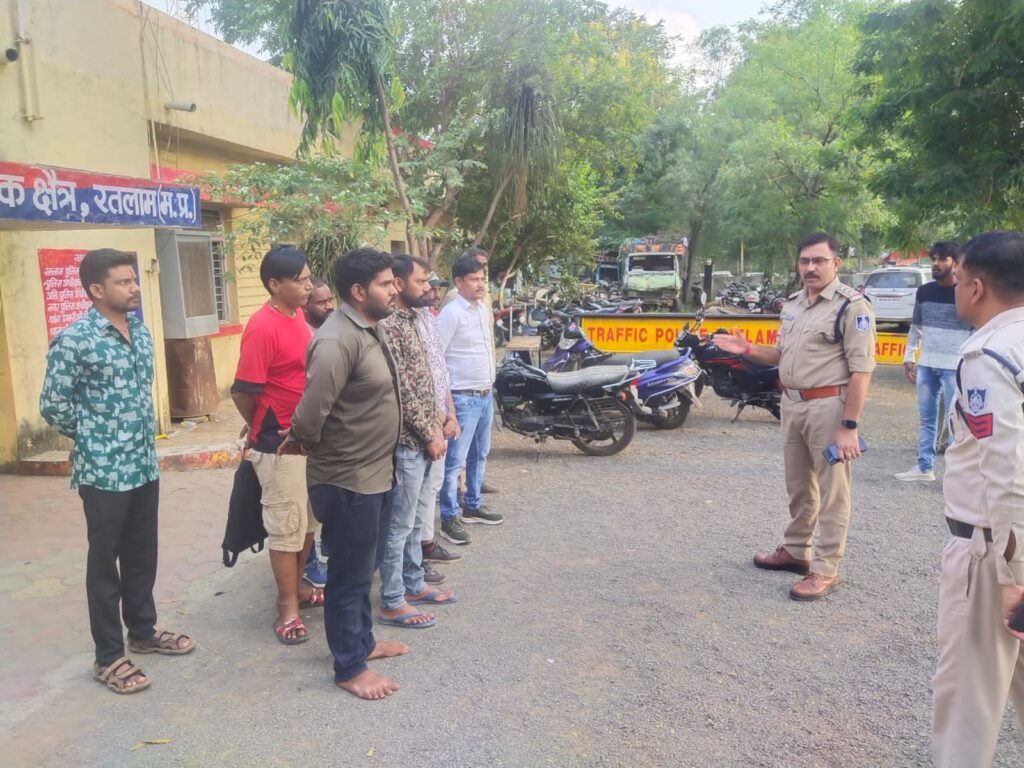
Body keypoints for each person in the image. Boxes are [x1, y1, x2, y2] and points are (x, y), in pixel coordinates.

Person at [39, 248, 196, 695]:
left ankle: (143, 632)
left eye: (133, 279)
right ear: (96, 289)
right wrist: (94, 437)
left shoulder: (140, 332)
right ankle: (108, 656)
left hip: (142, 463)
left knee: (142, 552)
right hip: (103, 471)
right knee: (104, 563)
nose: (134, 288)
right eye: (124, 282)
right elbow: (52, 405)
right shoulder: (75, 340)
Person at [713, 232, 876, 600]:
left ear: (836, 263)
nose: (810, 267)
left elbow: (861, 371)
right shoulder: (794, 304)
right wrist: (748, 349)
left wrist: (849, 426)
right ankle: (796, 549)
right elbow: (781, 354)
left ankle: (825, 568)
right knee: (799, 485)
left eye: (819, 260)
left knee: (833, 492)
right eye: (805, 261)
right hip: (793, 403)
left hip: (829, 407)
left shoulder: (852, 307)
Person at [287, 247, 409, 700]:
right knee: (348, 574)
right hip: (347, 478)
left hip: (376, 473)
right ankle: (349, 667)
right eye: (385, 283)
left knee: (364, 568)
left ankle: (363, 642)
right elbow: (310, 413)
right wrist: (301, 439)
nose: (394, 289)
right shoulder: (336, 340)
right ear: (358, 291)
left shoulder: (369, 328)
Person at [931, 231, 1024, 768]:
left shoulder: (989, 354)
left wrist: (1013, 575)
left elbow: (1007, 469)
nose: (956, 288)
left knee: (968, 701)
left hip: (993, 552)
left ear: (978, 287)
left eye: (959, 278)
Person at [231, 246, 322, 645]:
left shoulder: (298, 316)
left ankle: (298, 589)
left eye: (308, 278)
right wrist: (261, 425)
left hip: (307, 437)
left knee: (307, 523)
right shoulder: (262, 326)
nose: (308, 286)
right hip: (278, 443)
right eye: (300, 280)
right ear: (274, 284)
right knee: (285, 526)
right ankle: (286, 609)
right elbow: (243, 390)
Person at [378, 255, 459, 628]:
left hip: (427, 434)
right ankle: (392, 599)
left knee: (412, 521)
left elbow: (429, 380)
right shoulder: (389, 325)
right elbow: (403, 389)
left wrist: (442, 419)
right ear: (398, 283)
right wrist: (429, 433)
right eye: (421, 281)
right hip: (408, 441)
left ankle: (413, 583)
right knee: (399, 525)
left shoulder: (415, 319)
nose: (428, 288)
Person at [437, 255, 505, 546]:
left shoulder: (481, 309)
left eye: (482, 279)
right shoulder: (451, 314)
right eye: (474, 279)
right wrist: (445, 407)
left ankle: (473, 506)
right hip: (462, 399)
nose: (481, 284)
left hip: (484, 394)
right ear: (459, 282)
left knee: (480, 454)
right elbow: (436, 359)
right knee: (454, 462)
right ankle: (448, 516)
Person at [895, 242, 973, 481]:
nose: (936, 264)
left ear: (955, 263)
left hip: (955, 366)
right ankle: (924, 468)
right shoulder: (924, 291)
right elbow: (916, 326)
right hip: (927, 364)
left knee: (957, 422)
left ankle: (955, 475)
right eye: (934, 259)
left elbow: (975, 328)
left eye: (942, 259)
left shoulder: (966, 291)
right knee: (926, 419)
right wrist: (909, 356)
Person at [301, 276, 335, 589]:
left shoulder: (332, 331)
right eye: (321, 302)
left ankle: (325, 548)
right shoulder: (303, 334)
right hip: (305, 430)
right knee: (305, 503)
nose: (329, 306)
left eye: (330, 299)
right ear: (306, 305)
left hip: (331, 431)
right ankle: (308, 562)